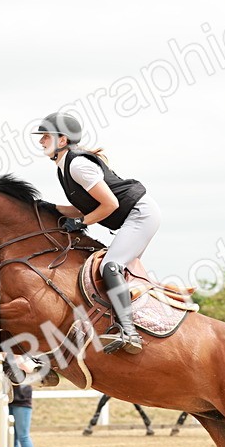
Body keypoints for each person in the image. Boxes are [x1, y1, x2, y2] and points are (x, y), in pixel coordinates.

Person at [33, 110, 160, 355]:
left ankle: (130, 332)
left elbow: (110, 204)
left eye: (45, 136)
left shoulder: (78, 164)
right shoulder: (64, 166)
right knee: (115, 269)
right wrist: (48, 208)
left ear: (62, 140)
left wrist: (81, 222)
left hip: (140, 214)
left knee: (110, 266)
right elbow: (83, 207)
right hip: (132, 217)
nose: (40, 141)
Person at [8, 356, 37, 447]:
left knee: (23, 436)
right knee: (12, 437)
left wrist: (15, 357)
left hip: (22, 400)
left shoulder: (25, 357)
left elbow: (29, 369)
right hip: (8, 399)